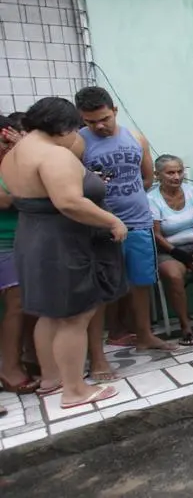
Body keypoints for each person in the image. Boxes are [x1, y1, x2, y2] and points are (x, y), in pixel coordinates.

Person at [2, 97, 126, 408]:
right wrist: (112, 220)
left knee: (50, 313)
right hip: (60, 242)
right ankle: (75, 390)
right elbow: (69, 202)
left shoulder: (16, 153)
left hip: (31, 237)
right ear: (63, 127)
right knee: (75, 314)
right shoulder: (52, 155)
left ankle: (52, 379)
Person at [73, 86, 177, 361]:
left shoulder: (136, 138)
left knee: (141, 282)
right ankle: (98, 354)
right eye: (90, 121)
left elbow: (146, 179)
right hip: (101, 227)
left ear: (114, 111)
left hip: (139, 222)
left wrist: (125, 193)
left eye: (104, 118)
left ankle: (144, 335)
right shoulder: (77, 143)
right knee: (101, 288)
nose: (99, 126)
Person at [148, 154, 193, 346]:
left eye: (179, 171)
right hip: (169, 250)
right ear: (157, 175)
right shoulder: (152, 198)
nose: (176, 177)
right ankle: (186, 326)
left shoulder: (191, 190)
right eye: (170, 173)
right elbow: (157, 235)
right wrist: (181, 256)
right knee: (174, 275)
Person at [0, 115, 36, 395]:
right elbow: (11, 200)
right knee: (17, 303)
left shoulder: (14, 163)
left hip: (26, 241)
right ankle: (8, 368)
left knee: (28, 304)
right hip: (4, 244)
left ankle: (27, 357)